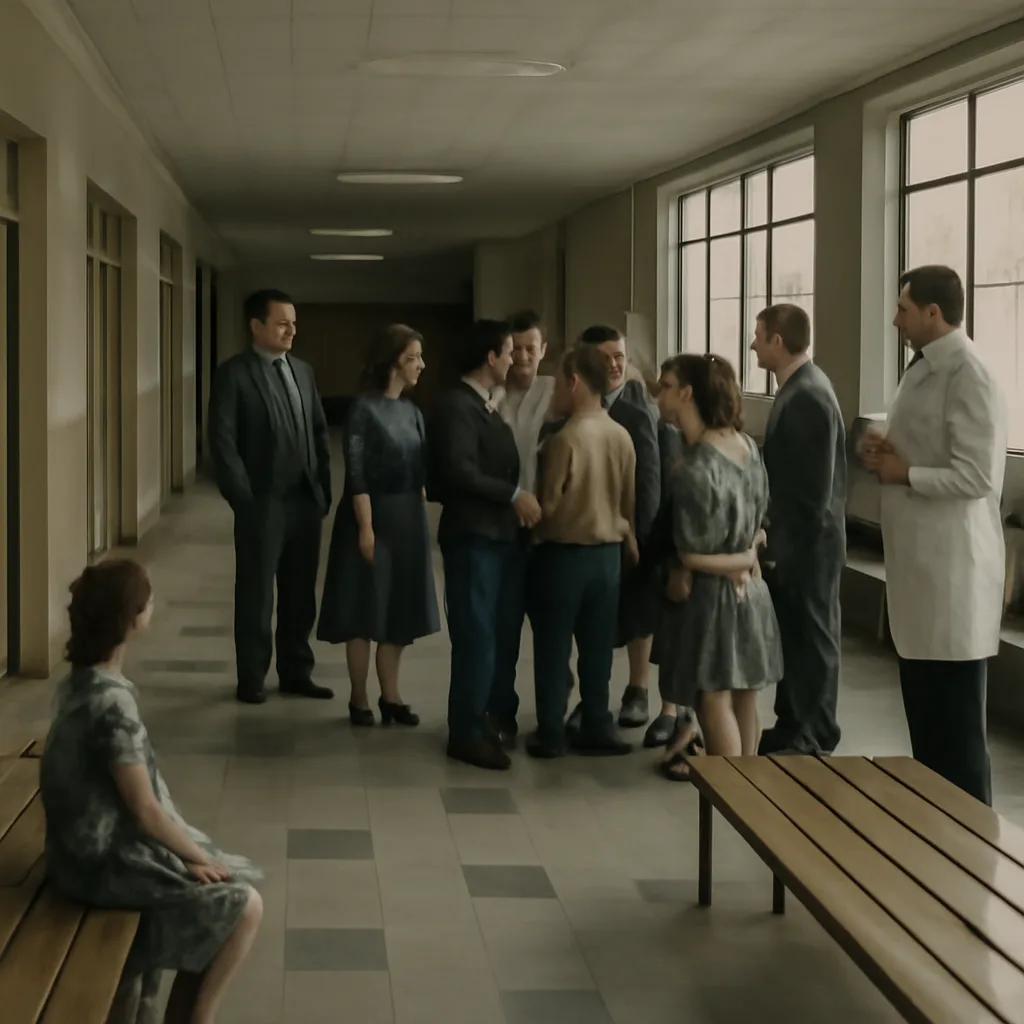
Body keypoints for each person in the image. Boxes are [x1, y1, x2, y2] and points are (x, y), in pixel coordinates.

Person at [40, 560, 263, 1024]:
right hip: (100, 867)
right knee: (243, 905)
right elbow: (145, 810)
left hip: (73, 855)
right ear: (133, 619)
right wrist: (194, 857)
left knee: (213, 875)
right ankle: (194, 1018)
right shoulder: (113, 703)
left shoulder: (80, 683)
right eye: (148, 601)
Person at [862, 265, 1006, 806]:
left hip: (953, 579)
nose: (895, 320)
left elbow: (979, 477)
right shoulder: (921, 368)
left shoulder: (970, 374)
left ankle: (973, 851)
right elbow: (923, 446)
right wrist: (886, 453)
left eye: (902, 309)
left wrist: (906, 473)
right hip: (921, 574)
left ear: (931, 312)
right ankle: (936, 846)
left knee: (958, 741)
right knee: (928, 735)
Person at [655, 355, 783, 780]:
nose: (660, 392)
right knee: (746, 695)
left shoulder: (694, 467)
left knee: (713, 697)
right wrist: (750, 554)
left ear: (687, 394)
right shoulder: (749, 447)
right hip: (752, 592)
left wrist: (742, 559)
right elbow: (761, 522)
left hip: (714, 596)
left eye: (667, 384)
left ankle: (729, 791)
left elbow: (692, 552)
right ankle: (750, 786)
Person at [207, 289, 333, 705]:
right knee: (257, 594)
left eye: (294, 323)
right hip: (263, 501)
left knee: (300, 594)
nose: (291, 330)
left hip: (305, 500)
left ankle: (297, 671)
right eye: (282, 323)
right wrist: (244, 501)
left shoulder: (304, 371)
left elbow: (318, 430)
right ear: (256, 326)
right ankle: (252, 677)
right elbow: (223, 443)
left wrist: (324, 488)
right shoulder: (234, 375)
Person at [429, 319, 541, 770]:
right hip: (474, 538)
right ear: (490, 357)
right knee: (477, 637)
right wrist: (514, 495)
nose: (515, 359)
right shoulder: (457, 406)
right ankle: (467, 731)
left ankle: (488, 718)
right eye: (510, 351)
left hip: (499, 539)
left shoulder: (482, 405)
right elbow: (458, 470)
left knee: (497, 635)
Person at [317, 324, 439, 727]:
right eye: (413, 358)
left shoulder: (413, 411)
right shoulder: (364, 410)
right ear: (392, 363)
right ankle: (359, 697)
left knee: (399, 611)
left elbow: (422, 468)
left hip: (407, 516)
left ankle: (392, 695)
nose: (421, 365)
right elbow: (357, 474)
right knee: (364, 609)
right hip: (369, 515)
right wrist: (366, 528)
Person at [527, 345, 638, 758]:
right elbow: (629, 502)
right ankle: (597, 723)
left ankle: (552, 731)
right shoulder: (621, 436)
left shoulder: (564, 440)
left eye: (558, 381)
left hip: (563, 557)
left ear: (574, 382)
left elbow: (549, 506)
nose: (554, 389)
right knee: (597, 650)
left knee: (554, 649)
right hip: (608, 556)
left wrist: (533, 534)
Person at [751, 303, 846, 756]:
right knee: (796, 635)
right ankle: (792, 723)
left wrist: (780, 546)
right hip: (798, 543)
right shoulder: (798, 388)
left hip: (808, 546)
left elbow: (811, 492)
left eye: (758, 335)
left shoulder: (807, 394)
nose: (753, 343)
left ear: (777, 340)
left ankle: (814, 732)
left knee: (812, 638)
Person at [565, 325, 663, 735]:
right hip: (591, 529)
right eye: (606, 357)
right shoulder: (577, 402)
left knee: (637, 613)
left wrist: (637, 534)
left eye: (621, 355)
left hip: (630, 533)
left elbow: (649, 479)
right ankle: (593, 700)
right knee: (595, 620)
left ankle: (637, 690)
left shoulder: (636, 409)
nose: (615, 364)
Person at [487, 310, 557, 745]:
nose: (525, 357)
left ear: (544, 351)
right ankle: (500, 710)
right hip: (504, 524)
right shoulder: (489, 395)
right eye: (518, 349)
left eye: (533, 348)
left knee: (552, 630)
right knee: (504, 625)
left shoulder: (557, 393)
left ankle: (552, 717)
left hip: (551, 530)